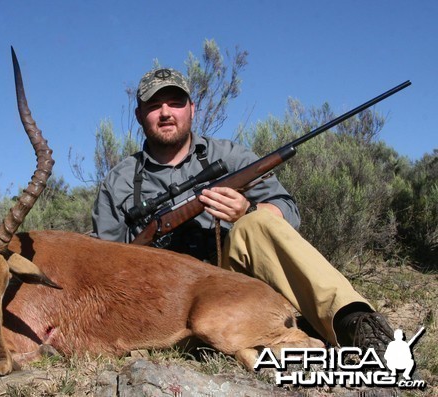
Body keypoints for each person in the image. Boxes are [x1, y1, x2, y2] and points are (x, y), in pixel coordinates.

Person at [91, 67, 394, 355]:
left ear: (192, 109)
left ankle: (354, 323)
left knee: (256, 222)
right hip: (157, 300)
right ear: (139, 115)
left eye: (175, 102)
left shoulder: (229, 156)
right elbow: (101, 263)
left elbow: (288, 212)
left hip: (228, 285)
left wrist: (246, 210)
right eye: (155, 105)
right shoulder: (118, 181)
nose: (166, 112)